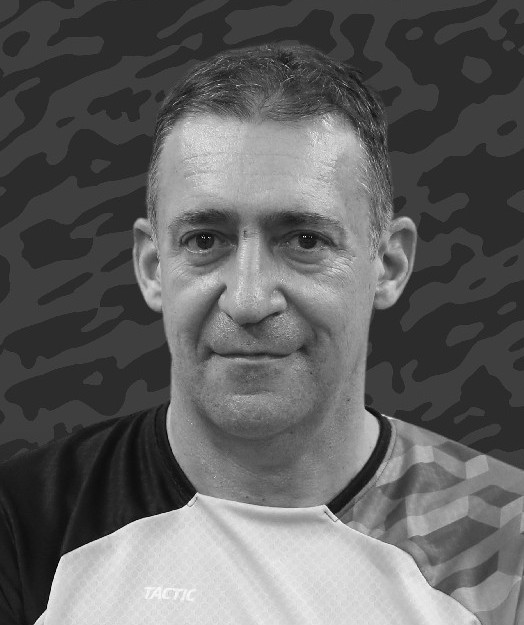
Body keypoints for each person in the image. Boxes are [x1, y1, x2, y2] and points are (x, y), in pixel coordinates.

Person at [0, 42, 522, 625]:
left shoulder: (505, 538)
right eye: (205, 240)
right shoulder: (24, 524)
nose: (248, 300)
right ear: (151, 267)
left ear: (390, 264)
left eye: (304, 241)